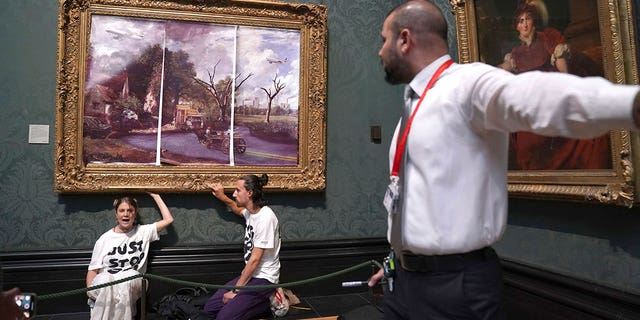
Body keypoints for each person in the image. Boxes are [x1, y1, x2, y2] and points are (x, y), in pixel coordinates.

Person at [367, 1, 640, 319]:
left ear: (404, 39)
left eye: (383, 40)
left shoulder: (468, 84)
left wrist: (629, 104)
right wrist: (396, 260)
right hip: (402, 282)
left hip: (455, 288)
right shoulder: (412, 105)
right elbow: (415, 199)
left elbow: (536, 97)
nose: (380, 51)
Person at [499, 0, 611, 170]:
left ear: (534, 20)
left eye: (528, 19)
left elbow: (561, 64)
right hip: (531, 96)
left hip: (552, 87)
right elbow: (505, 68)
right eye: (521, 21)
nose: (525, 24)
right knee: (526, 138)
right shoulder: (516, 53)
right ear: (517, 27)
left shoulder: (548, 37)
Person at [204, 174, 281, 320]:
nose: (234, 194)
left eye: (237, 190)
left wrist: (236, 291)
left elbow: (255, 260)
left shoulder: (266, 218)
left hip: (264, 279)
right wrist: (222, 196)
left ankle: (267, 300)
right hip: (251, 275)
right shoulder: (251, 213)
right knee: (210, 308)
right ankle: (257, 303)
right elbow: (236, 208)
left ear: (250, 193)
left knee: (224, 318)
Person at [86, 192, 174, 320]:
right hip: (107, 283)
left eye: (130, 210)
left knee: (127, 277)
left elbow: (168, 220)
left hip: (131, 281)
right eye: (122, 210)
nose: (126, 214)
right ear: (116, 214)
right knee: (105, 280)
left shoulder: (143, 232)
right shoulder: (104, 239)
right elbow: (93, 270)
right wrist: (90, 292)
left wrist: (155, 196)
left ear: (135, 213)